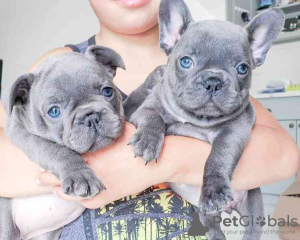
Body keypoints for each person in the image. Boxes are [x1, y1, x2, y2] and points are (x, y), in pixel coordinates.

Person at [0, 0, 299, 239]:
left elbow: (284, 157)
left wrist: (164, 163)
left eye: (106, 92)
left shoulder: (224, 87)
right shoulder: (56, 64)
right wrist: (74, 167)